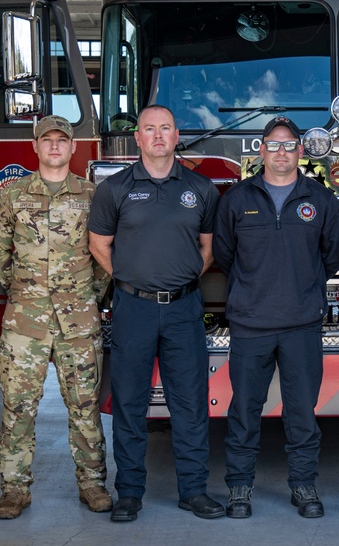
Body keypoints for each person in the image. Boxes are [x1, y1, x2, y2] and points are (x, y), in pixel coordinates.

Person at [87, 104, 224, 522]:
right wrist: (133, 280)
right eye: (150, 129)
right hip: (133, 309)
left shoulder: (201, 189)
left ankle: (194, 491)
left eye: (166, 128)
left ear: (177, 134)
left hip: (185, 309)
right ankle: (129, 493)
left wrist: (179, 281)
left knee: (190, 404)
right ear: (138, 137)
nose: (159, 136)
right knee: (130, 403)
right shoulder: (115, 189)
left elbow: (209, 248)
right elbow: (98, 245)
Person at [213, 116, 339, 519]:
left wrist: (301, 286)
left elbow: (332, 255)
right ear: (261, 151)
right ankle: (239, 488)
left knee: (302, 411)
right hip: (250, 324)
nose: (282, 152)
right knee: (243, 412)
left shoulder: (321, 200)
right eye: (274, 145)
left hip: (301, 324)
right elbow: (224, 255)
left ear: (300, 152)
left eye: (290, 146)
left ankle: (304, 486)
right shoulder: (236, 199)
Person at [0, 115, 113, 519]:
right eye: (47, 140)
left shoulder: (94, 196)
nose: (55, 146)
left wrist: (86, 295)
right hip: (26, 322)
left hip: (79, 321)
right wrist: (25, 291)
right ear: (35, 147)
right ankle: (14, 490)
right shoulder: (11, 196)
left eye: (62, 140)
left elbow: (105, 255)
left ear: (74, 148)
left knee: (84, 406)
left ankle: (92, 485)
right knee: (18, 407)